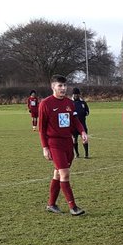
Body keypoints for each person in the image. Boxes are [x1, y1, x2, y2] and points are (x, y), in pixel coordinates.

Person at [38, 75, 88, 215]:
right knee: (65, 174)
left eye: (65, 86)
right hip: (54, 143)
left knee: (58, 174)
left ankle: (51, 204)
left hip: (68, 142)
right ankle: (73, 207)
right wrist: (45, 147)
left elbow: (75, 120)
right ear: (53, 87)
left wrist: (82, 131)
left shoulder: (69, 103)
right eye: (60, 86)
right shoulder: (46, 103)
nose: (63, 88)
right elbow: (41, 128)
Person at [71, 88, 90, 159]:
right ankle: (77, 153)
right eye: (75, 94)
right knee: (74, 139)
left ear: (79, 94)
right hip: (74, 125)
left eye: (77, 94)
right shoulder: (70, 102)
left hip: (82, 124)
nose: (76, 95)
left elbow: (87, 111)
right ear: (73, 94)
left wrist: (86, 113)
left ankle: (86, 154)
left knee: (84, 139)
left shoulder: (83, 102)